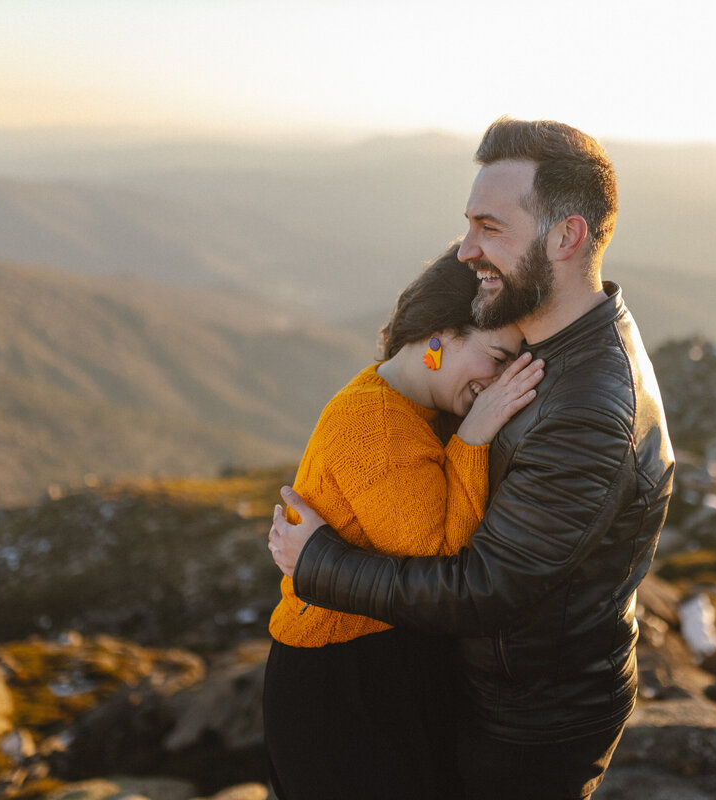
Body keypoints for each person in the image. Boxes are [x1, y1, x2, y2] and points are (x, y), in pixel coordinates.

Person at [270, 117, 676, 800]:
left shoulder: (584, 408)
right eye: (469, 225)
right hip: (491, 694)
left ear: (567, 237)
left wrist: (319, 565)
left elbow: (485, 590)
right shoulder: (549, 338)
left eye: (491, 228)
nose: (466, 250)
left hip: (531, 723)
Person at [262, 243, 545, 800]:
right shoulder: (374, 419)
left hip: (383, 662)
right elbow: (440, 557)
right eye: (496, 356)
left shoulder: (415, 408)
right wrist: (474, 437)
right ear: (440, 333)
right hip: (339, 683)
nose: (504, 380)